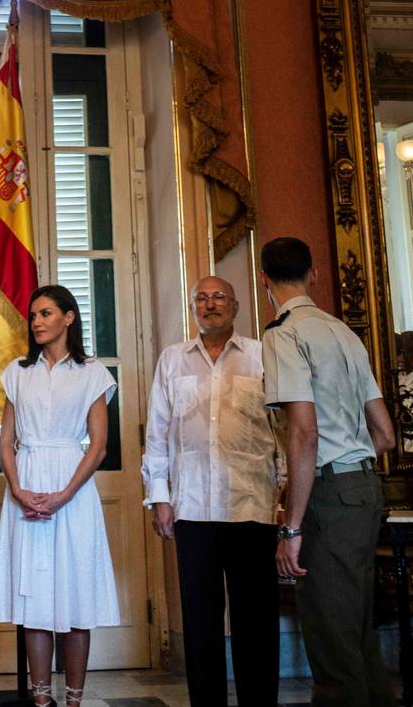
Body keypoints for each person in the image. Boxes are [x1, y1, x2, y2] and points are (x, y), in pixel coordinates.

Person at [260, 237, 396, 707]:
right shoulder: (343, 332)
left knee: (333, 647)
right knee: (356, 634)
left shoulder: (283, 333)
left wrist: (292, 526)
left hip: (328, 494)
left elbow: (304, 435)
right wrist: (351, 463)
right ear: (313, 274)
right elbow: (384, 433)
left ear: (264, 281)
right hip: (363, 486)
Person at [141, 276, 282, 707]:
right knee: (200, 623)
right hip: (193, 510)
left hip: (253, 507)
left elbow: (283, 432)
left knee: (255, 621)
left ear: (236, 306)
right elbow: (158, 435)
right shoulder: (172, 360)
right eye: (200, 298)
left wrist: (286, 500)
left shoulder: (263, 357)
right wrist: (159, 496)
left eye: (218, 296)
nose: (209, 304)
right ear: (193, 309)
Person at [0, 285, 120, 707]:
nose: (37, 322)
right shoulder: (17, 372)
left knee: (75, 592)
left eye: (46, 313)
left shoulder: (92, 373)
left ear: (69, 317)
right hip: (26, 485)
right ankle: (42, 699)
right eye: (33, 315)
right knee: (34, 596)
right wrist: (17, 489)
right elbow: (6, 442)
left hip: (73, 487)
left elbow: (98, 445)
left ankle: (75, 700)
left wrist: (64, 494)